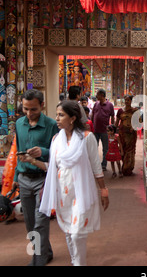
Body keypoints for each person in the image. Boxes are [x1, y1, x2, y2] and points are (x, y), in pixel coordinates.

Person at [27, 100, 109, 266]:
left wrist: (103, 190)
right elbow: (53, 167)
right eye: (56, 114)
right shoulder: (57, 139)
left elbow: (96, 167)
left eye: (61, 115)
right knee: (68, 231)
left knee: (77, 232)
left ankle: (79, 263)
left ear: (72, 118)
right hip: (63, 193)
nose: (56, 118)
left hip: (82, 192)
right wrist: (32, 161)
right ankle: (74, 260)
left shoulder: (87, 138)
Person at [12, 89, 58, 266]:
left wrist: (44, 151)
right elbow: (19, 149)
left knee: (40, 221)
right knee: (30, 223)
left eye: (33, 109)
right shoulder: (19, 124)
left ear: (42, 106)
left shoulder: (52, 125)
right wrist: (16, 174)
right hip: (23, 177)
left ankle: (38, 258)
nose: (29, 113)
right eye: (25, 109)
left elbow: (58, 152)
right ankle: (45, 251)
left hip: (43, 178)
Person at [90, 89, 115, 171]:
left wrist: (112, 129)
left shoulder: (110, 105)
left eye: (97, 94)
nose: (96, 96)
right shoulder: (96, 104)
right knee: (94, 148)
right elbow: (93, 116)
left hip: (105, 131)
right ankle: (96, 164)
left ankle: (104, 164)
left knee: (105, 149)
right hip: (95, 130)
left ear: (102, 95)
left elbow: (112, 116)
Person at [115, 95, 139, 176]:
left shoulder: (135, 111)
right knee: (123, 149)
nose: (126, 101)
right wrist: (114, 130)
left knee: (130, 151)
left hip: (131, 134)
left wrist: (134, 127)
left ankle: (128, 169)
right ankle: (124, 165)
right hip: (122, 133)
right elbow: (117, 121)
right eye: (125, 100)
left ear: (131, 101)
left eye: (128, 100)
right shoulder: (120, 111)